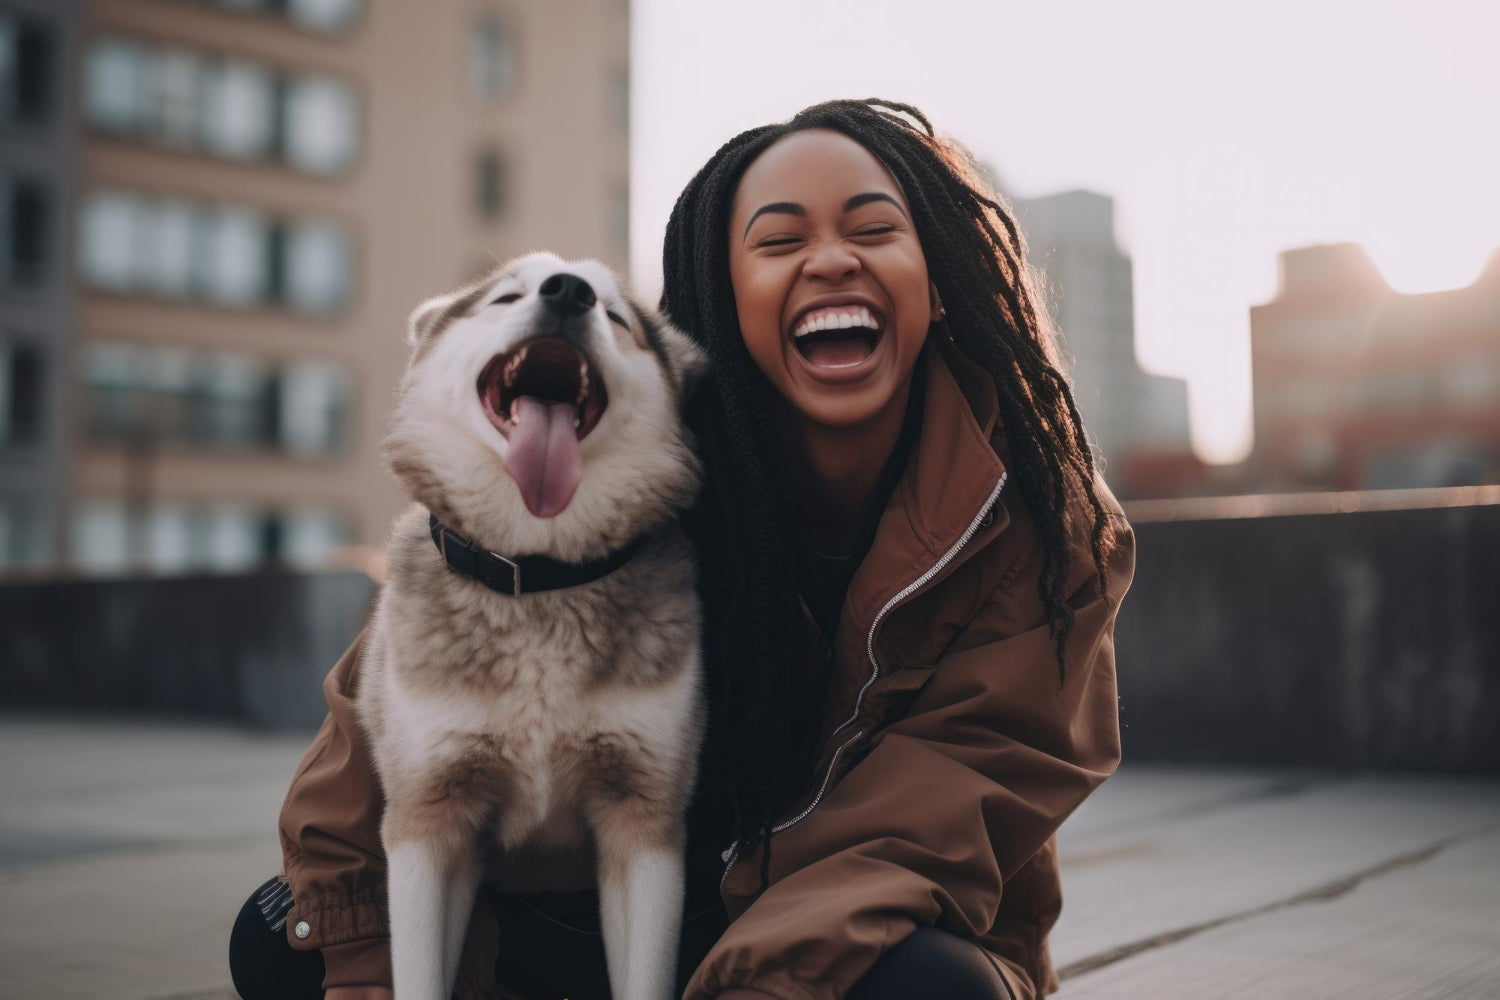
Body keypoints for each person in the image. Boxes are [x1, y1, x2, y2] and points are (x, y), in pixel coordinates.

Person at [228, 98, 1136, 1000]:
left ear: (936, 283)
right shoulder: (628, 455)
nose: (831, 259)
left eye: (873, 230)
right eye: (780, 241)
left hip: (866, 919)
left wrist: (758, 985)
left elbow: (945, 801)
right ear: (722, 297)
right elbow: (392, 692)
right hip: (635, 913)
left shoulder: (1035, 520)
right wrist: (359, 945)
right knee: (286, 935)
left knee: (931, 990)